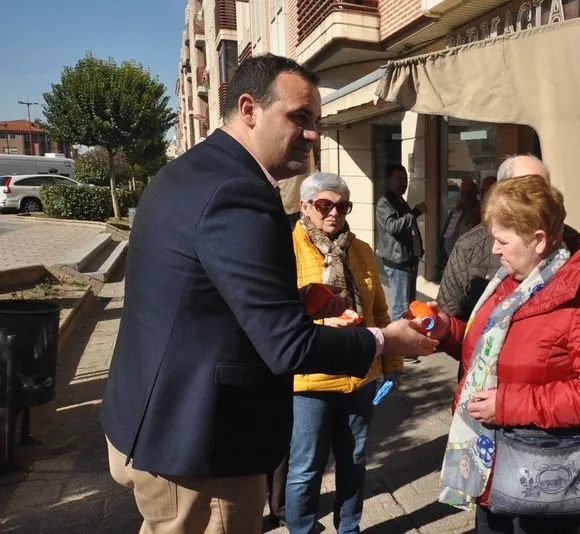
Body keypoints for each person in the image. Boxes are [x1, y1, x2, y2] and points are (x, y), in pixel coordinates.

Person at [101, 54, 437, 534]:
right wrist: (385, 342)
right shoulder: (239, 192)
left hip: (153, 420)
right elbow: (289, 347)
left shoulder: (191, 171)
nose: (313, 134)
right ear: (249, 109)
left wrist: (297, 300)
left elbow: (197, 295)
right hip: (198, 444)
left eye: (316, 121)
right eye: (299, 118)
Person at [428, 174, 580, 533]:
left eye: (503, 240)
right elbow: (492, 353)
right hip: (489, 464)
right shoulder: (512, 282)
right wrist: (449, 332)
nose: (494, 250)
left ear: (538, 240)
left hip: (541, 477)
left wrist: (507, 405)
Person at [284, 172, 402, 533]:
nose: (334, 213)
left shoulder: (361, 250)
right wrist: (322, 327)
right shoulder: (285, 251)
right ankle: (301, 529)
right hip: (311, 377)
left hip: (359, 375)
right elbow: (280, 319)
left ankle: (348, 528)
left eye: (342, 206)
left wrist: (392, 362)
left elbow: (380, 311)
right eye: (324, 205)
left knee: (353, 459)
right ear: (305, 206)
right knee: (306, 465)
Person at [436, 155, 548, 322]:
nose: (534, 200)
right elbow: (450, 320)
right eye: (524, 191)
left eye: (542, 190)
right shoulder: (469, 248)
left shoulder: (571, 244)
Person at [375, 164, 425, 324]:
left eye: (404, 179)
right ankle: (398, 345)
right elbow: (392, 227)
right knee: (400, 308)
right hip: (398, 262)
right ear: (389, 181)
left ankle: (407, 341)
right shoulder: (385, 203)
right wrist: (415, 212)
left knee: (409, 306)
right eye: (398, 179)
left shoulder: (399, 200)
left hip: (409, 260)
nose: (403, 183)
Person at [439, 177, 480, 268]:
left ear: (475, 193)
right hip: (450, 260)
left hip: (467, 262)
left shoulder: (479, 211)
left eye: (469, 193)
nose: (465, 196)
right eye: (462, 192)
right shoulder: (457, 210)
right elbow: (445, 234)